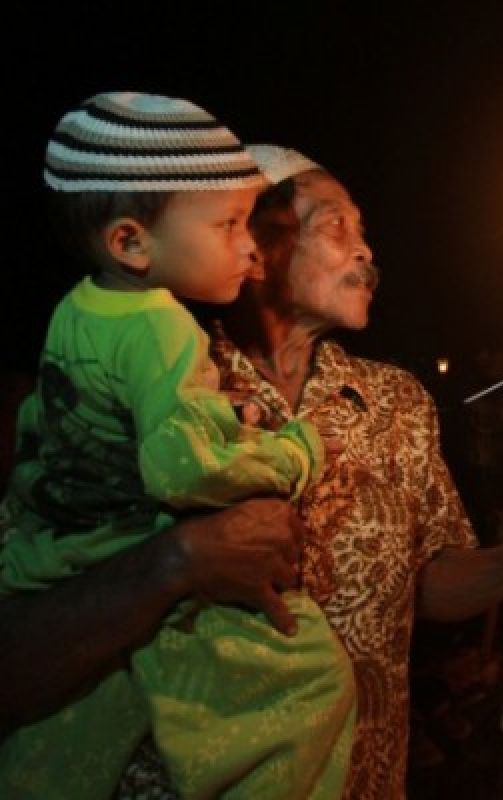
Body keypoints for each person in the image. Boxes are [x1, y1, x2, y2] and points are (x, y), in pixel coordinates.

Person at [114, 144, 503, 798]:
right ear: (254, 246)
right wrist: (178, 559)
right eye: (336, 226)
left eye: (364, 232)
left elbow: (424, 581)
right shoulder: (159, 390)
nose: (365, 251)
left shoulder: (398, 403)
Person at [0, 94, 355, 800]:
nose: (250, 247)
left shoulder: (77, 309)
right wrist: (293, 453)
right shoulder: (166, 326)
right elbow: (182, 470)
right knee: (314, 679)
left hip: (54, 548)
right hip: (127, 550)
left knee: (65, 737)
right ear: (130, 242)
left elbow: (58, 419)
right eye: (229, 225)